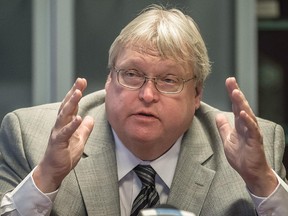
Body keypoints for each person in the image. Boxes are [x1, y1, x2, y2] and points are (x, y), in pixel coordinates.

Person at [0, 4, 288, 216]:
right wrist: (47, 177)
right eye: (132, 74)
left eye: (169, 80)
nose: (147, 95)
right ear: (110, 80)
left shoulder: (252, 149)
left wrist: (261, 181)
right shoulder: (32, 138)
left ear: (197, 93)